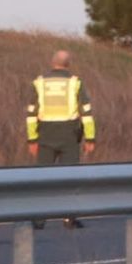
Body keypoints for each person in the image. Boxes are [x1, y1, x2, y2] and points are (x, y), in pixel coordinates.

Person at [26, 50, 96, 229]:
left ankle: (39, 219)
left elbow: (31, 113)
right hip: (69, 134)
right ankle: (68, 218)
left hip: (45, 134)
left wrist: (32, 140)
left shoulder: (39, 82)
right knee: (70, 177)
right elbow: (86, 113)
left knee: (43, 177)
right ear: (68, 64)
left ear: (52, 63)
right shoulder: (75, 83)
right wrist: (90, 138)